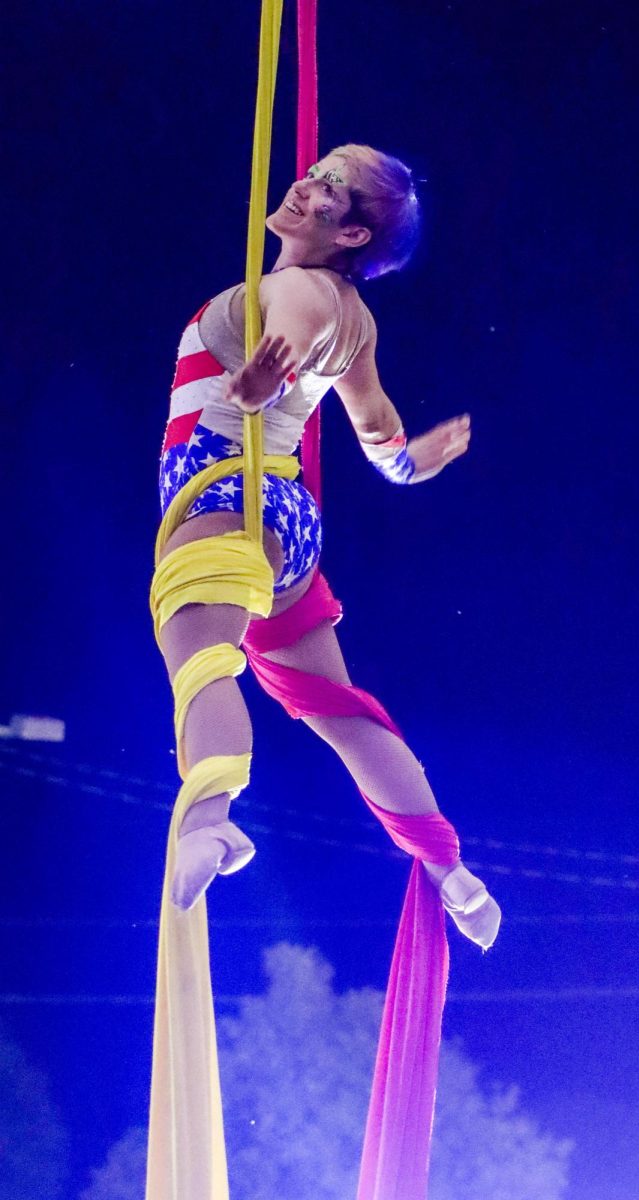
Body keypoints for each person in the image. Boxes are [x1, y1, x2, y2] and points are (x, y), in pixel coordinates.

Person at [156, 143, 501, 949]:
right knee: (335, 710)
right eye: (320, 169)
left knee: (199, 655)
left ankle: (212, 822)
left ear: (350, 235)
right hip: (289, 526)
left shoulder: (298, 293)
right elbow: (385, 443)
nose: (307, 181)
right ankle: (449, 869)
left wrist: (261, 388)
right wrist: (415, 464)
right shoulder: (356, 320)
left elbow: (289, 332)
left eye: (331, 187)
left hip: (225, 491)